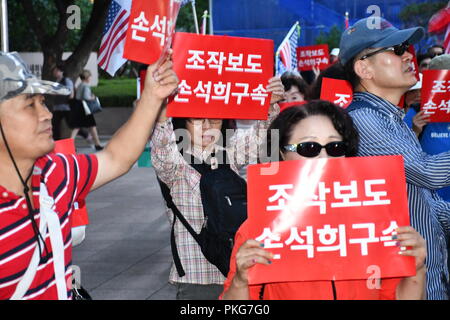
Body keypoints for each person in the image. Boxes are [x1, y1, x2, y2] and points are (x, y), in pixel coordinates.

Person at [0, 51, 178, 300]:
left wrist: (151, 96)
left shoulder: (54, 173)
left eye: (42, 102)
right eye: (30, 104)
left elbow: (115, 158)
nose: (47, 114)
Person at [221, 101, 427, 300]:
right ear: (282, 153)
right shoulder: (259, 230)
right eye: (309, 147)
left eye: (335, 147)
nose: (324, 158)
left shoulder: (375, 225)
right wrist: (240, 281)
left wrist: (416, 269)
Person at [338, 17, 450, 299]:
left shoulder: (390, 118)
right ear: (363, 68)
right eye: (396, 49)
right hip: (407, 282)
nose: (408, 56)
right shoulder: (365, 119)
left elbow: (424, 200)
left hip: (424, 275)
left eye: (407, 48)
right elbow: (430, 174)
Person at [150, 77, 284, 300]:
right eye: (197, 119)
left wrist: (270, 104)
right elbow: (162, 148)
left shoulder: (227, 150)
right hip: (196, 278)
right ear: (184, 122)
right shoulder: (175, 161)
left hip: (238, 269)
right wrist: (162, 109)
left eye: (214, 119)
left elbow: (265, 140)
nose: (207, 126)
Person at [69, 70, 103, 151]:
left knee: (77, 127)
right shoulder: (86, 86)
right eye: (90, 76)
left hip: (79, 107)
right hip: (85, 109)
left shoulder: (80, 85)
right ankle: (97, 144)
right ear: (87, 77)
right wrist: (93, 97)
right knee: (92, 126)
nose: (91, 78)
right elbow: (86, 97)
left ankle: (70, 146)